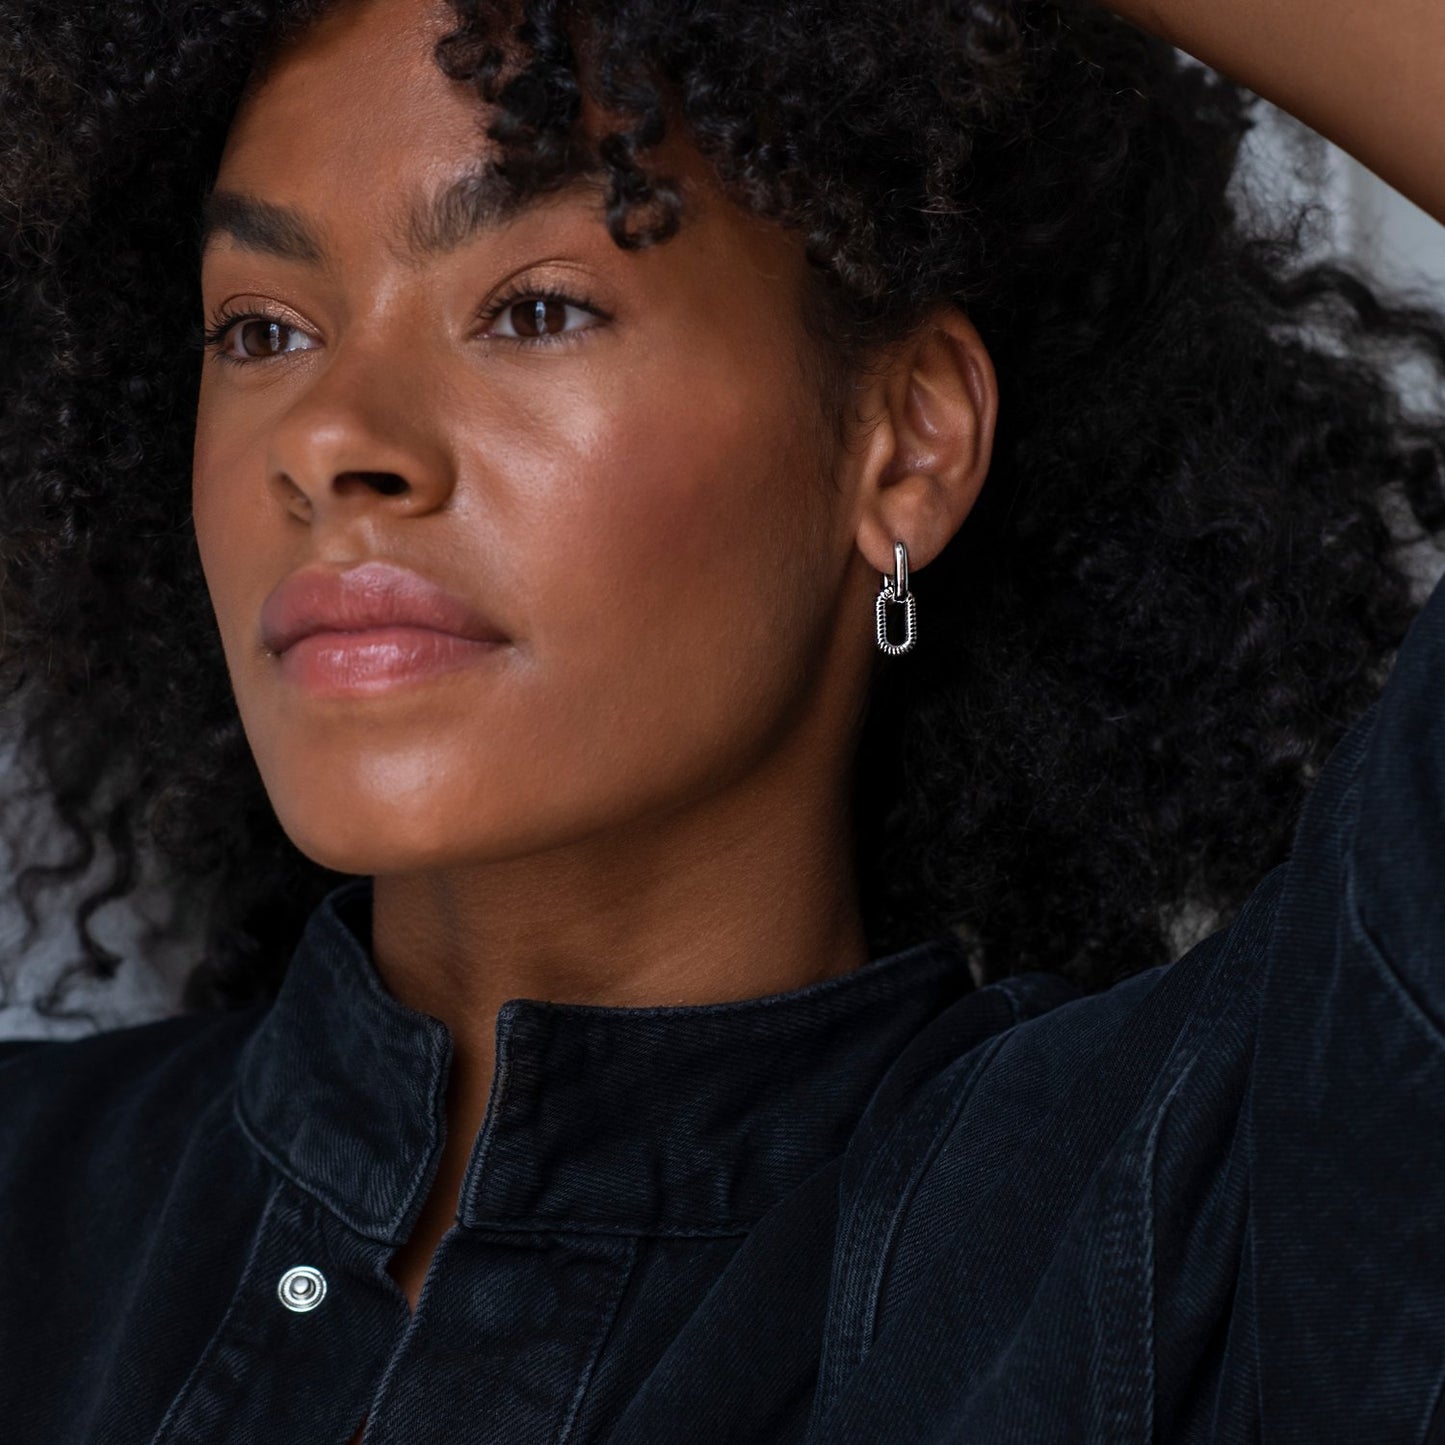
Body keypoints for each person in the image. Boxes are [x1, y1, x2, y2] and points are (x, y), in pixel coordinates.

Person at [0, 0, 1441, 1438]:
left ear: (905, 443)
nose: (327, 439)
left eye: (536, 308)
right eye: (261, 330)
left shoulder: (1185, 1229)